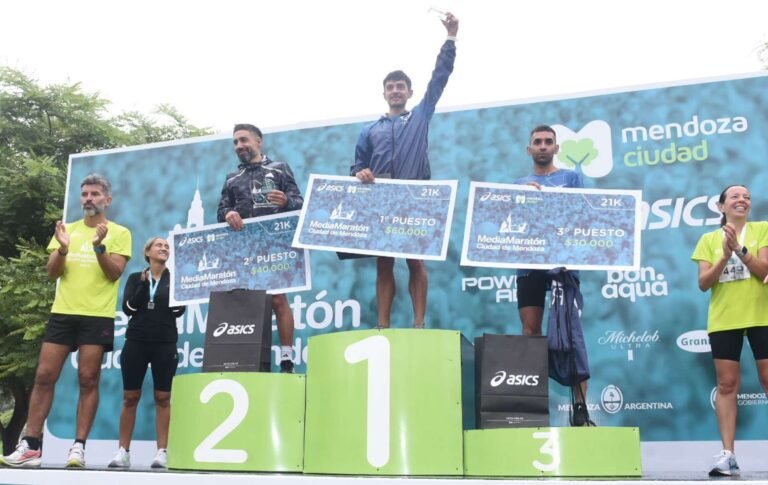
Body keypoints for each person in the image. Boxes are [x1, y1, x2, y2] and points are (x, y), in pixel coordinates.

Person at [1, 174, 131, 468]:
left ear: (106, 200)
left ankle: (78, 447)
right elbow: (52, 272)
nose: (88, 198)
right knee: (44, 376)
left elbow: (113, 273)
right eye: (84, 193)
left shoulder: (120, 232)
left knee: (88, 379)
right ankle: (31, 445)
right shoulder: (66, 230)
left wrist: (99, 247)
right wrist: (61, 248)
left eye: (95, 193)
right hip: (63, 312)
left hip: (96, 314)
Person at [350, 12, 459, 328]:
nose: (395, 90)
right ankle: (382, 324)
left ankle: (419, 323)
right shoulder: (369, 129)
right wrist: (362, 173)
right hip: (381, 200)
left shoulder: (421, 116)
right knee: (384, 263)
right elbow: (358, 164)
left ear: (410, 93)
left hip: (414, 196)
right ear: (383, 93)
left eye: (401, 86)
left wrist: (450, 38)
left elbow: (440, 76)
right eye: (390, 87)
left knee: (416, 261)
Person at [514, 125, 593, 426]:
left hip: (563, 263)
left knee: (569, 334)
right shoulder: (519, 183)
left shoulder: (571, 178)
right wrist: (525, 199)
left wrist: (546, 200)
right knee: (530, 333)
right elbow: (511, 221)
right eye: (538, 142)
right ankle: (534, 408)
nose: (543, 146)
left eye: (549, 142)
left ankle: (581, 409)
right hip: (529, 264)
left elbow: (584, 215)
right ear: (529, 149)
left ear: (557, 148)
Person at [691, 184, 768, 476]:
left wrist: (740, 249)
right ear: (721, 206)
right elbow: (703, 283)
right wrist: (724, 254)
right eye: (735, 196)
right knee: (726, 385)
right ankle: (728, 455)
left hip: (762, 316)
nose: (742, 200)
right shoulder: (708, 239)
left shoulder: (762, 229)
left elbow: (764, 271)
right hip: (724, 319)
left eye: (747, 197)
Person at [217, 123, 303, 373]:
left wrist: (287, 201)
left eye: (244, 140)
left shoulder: (278, 169)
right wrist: (229, 213)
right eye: (235, 142)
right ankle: (249, 359)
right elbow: (221, 211)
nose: (239, 146)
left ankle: (287, 359)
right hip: (243, 247)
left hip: (274, 243)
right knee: (248, 303)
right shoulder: (232, 178)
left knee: (278, 299)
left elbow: (300, 203)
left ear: (258, 141)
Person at [108, 237, 185, 469]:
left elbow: (179, 311)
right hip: (137, 342)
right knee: (130, 397)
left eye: (167, 246)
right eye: (159, 245)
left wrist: (172, 292)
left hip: (165, 342)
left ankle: (162, 452)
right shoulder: (135, 278)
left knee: (163, 398)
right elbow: (128, 308)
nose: (164, 248)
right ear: (148, 252)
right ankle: (123, 452)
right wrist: (143, 287)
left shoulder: (176, 280)